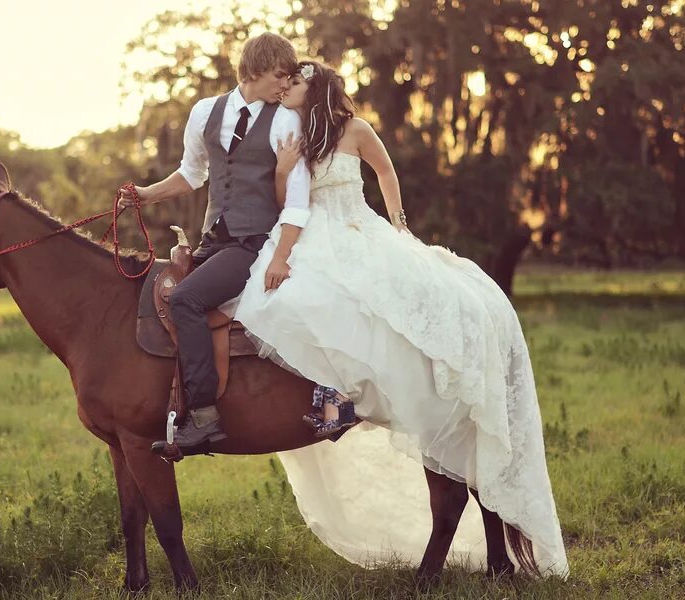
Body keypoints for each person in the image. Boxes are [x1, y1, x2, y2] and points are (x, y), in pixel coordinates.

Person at [229, 61, 569, 575]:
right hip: (311, 232)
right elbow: (289, 202)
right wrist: (282, 169)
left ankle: (359, 399)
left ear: (313, 86)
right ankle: (335, 398)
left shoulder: (357, 129)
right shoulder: (294, 134)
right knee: (285, 302)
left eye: (293, 83)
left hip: (357, 227)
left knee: (373, 304)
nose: (284, 90)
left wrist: (399, 224)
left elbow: (385, 172)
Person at [118, 33, 311, 451]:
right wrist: (147, 194)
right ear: (255, 71)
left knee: (186, 299)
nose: (285, 85)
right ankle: (158, 403)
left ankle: (204, 416)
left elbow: (297, 198)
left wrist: (280, 255)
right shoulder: (206, 112)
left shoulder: (285, 120)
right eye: (280, 75)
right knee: (157, 292)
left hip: (255, 243)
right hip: (214, 240)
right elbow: (192, 173)